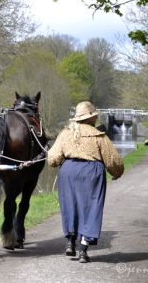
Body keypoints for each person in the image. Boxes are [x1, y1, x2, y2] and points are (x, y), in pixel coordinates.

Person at [47, 101, 124, 263]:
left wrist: (57, 162)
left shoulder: (65, 133)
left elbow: (53, 158)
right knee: (90, 209)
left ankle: (70, 243)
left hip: (68, 172)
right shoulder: (99, 135)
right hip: (91, 174)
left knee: (70, 206)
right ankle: (83, 250)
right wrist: (117, 173)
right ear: (92, 118)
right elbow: (113, 160)